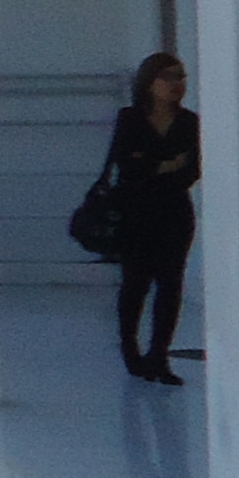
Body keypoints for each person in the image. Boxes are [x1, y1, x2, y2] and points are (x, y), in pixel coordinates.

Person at [104, 52, 201, 384]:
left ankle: (160, 355)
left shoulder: (190, 122)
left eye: (182, 76)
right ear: (150, 82)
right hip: (135, 212)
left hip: (174, 212)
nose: (177, 84)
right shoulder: (130, 118)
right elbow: (127, 165)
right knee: (136, 282)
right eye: (169, 76)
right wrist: (165, 165)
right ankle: (131, 351)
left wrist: (153, 164)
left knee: (170, 284)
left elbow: (191, 170)